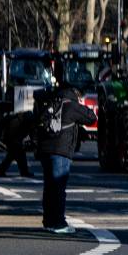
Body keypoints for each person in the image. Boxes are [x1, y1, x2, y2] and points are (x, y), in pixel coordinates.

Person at [35, 83, 96, 234]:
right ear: (75, 93)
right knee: (58, 189)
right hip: (61, 151)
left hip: (45, 150)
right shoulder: (71, 105)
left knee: (49, 188)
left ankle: (48, 221)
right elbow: (91, 117)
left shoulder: (51, 103)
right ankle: (59, 223)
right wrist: (80, 105)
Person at [0, 110, 35, 177]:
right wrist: (18, 142)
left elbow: (28, 133)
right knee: (17, 154)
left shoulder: (26, 122)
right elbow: (12, 135)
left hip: (14, 138)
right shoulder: (16, 122)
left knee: (13, 155)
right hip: (10, 138)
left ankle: (1, 169)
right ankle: (23, 171)